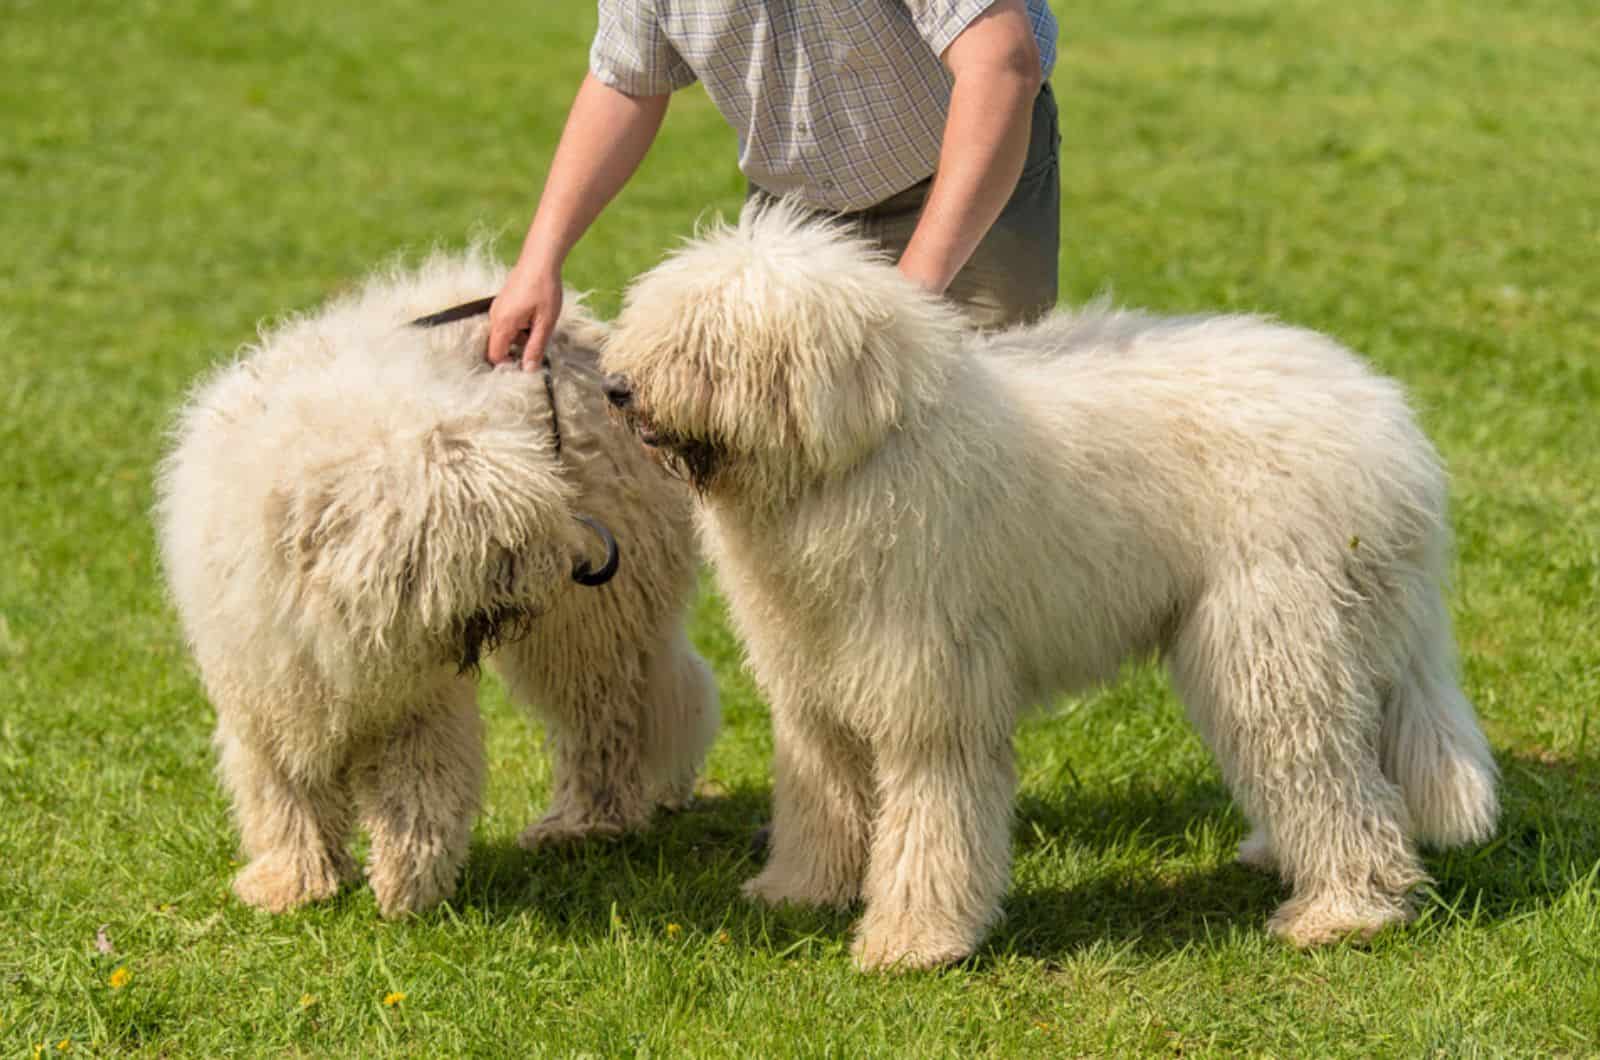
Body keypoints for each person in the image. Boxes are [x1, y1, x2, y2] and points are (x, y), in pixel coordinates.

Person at [488, 0, 1060, 369]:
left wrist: (907, 298)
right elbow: (627, 79)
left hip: (964, 180)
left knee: (979, 450)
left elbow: (1002, 67)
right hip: (795, 211)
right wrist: (539, 261)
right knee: (785, 469)